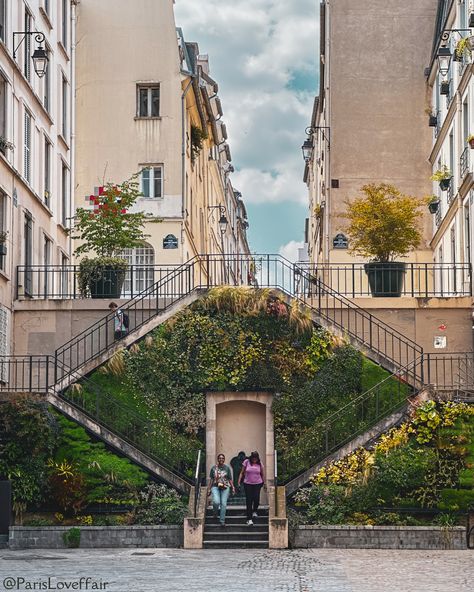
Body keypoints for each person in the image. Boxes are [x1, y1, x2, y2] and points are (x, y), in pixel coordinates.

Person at [207, 453, 235, 527]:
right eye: (220, 458)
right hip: (215, 487)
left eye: (222, 458)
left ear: (224, 459)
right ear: (218, 459)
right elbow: (211, 480)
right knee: (216, 502)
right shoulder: (213, 468)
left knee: (223, 504)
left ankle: (222, 521)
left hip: (225, 487)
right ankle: (215, 513)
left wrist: (233, 487)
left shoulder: (227, 468)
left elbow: (230, 479)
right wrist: (209, 489)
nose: (221, 459)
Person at [238, 450, 265, 526]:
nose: (254, 460)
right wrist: (239, 482)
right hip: (247, 484)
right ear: (251, 457)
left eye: (256, 458)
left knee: (256, 498)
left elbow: (262, 474)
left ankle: (255, 511)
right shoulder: (246, 462)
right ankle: (249, 519)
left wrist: (264, 483)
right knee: (249, 501)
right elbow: (242, 472)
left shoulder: (260, 463)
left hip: (258, 483)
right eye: (253, 458)